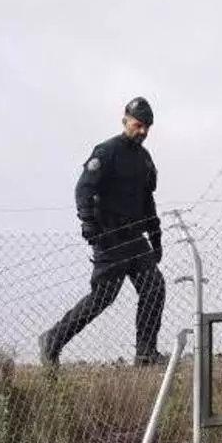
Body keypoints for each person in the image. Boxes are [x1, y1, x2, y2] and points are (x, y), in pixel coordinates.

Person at [39, 97, 167, 367]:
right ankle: (53, 339)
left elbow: (147, 202)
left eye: (147, 127)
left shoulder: (144, 160)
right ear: (126, 120)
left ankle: (145, 353)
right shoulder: (107, 151)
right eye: (138, 125)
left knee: (154, 287)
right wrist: (88, 224)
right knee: (103, 297)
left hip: (135, 238)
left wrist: (155, 238)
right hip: (109, 237)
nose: (143, 131)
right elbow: (84, 189)